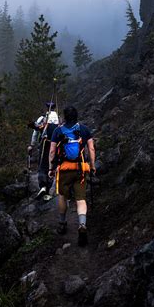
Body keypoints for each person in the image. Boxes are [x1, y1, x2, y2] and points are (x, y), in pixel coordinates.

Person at [48, 105, 96, 247]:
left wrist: (51, 168)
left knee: (63, 196)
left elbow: (52, 151)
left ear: (64, 116)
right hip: (80, 170)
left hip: (64, 169)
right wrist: (92, 166)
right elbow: (91, 148)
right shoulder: (84, 129)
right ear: (76, 116)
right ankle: (82, 225)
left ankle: (62, 223)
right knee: (81, 199)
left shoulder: (58, 131)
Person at [28, 102, 59, 199]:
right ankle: (49, 192)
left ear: (47, 108)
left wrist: (31, 145)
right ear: (55, 108)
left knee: (42, 165)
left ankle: (43, 186)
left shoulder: (42, 118)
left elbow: (35, 133)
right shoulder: (59, 119)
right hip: (56, 145)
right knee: (52, 165)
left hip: (45, 144)